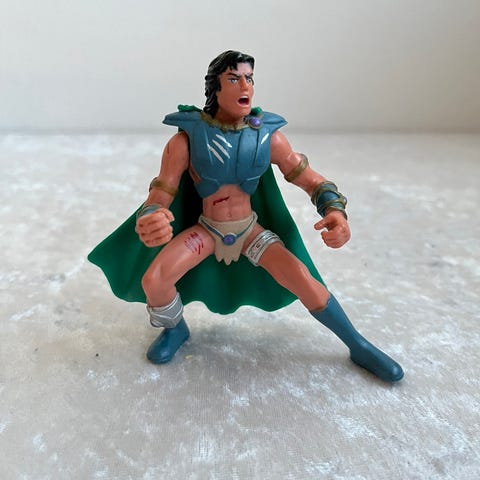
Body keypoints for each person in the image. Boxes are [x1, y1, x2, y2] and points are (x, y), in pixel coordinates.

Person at [89, 50, 403, 382]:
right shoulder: (186, 140)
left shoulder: (267, 136)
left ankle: (357, 344)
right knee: (155, 280)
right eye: (233, 79)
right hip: (207, 231)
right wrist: (152, 215)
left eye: (249, 78)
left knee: (303, 279)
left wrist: (334, 210)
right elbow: (162, 191)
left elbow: (311, 180)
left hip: (249, 232)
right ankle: (175, 329)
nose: (245, 87)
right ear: (215, 87)